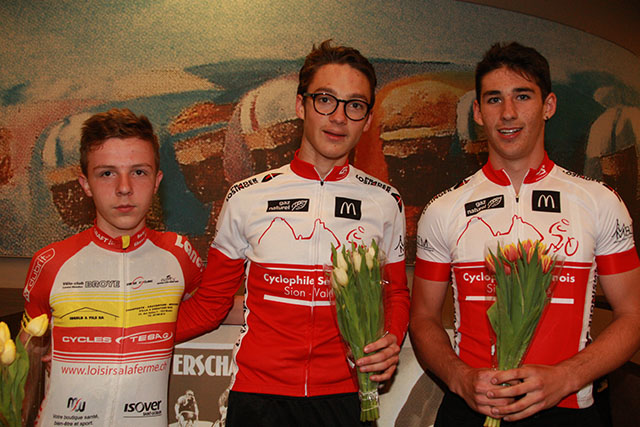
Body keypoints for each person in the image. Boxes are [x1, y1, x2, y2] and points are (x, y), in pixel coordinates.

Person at [176, 39, 410, 426]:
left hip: (346, 398)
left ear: (368, 119)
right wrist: (127, 334)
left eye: (354, 105)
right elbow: (210, 305)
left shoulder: (385, 202)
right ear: (301, 105)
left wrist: (392, 338)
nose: (339, 117)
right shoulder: (245, 197)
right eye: (325, 100)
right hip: (259, 400)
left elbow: (396, 293)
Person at [410, 42, 640, 426]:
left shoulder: (599, 201)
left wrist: (567, 377)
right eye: (494, 99)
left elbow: (633, 315)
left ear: (548, 105)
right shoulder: (443, 209)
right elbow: (422, 318)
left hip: (568, 408)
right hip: (470, 409)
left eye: (522, 96)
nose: (508, 113)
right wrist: (460, 378)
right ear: (478, 112)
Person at [20, 108, 204, 426]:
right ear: (85, 184)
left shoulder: (179, 254)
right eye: (107, 173)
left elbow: (219, 308)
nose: (124, 187)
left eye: (139, 172)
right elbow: (23, 370)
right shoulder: (50, 262)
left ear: (157, 181)